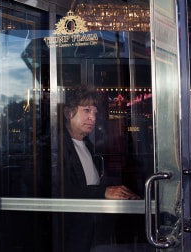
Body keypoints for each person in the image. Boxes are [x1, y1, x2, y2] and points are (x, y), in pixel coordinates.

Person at [60, 85, 140, 252]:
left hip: (87, 227)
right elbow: (60, 189)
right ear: (68, 113)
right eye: (87, 110)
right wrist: (104, 192)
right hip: (66, 231)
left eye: (95, 112)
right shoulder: (57, 146)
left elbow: (91, 182)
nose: (93, 118)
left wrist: (120, 191)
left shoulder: (87, 144)